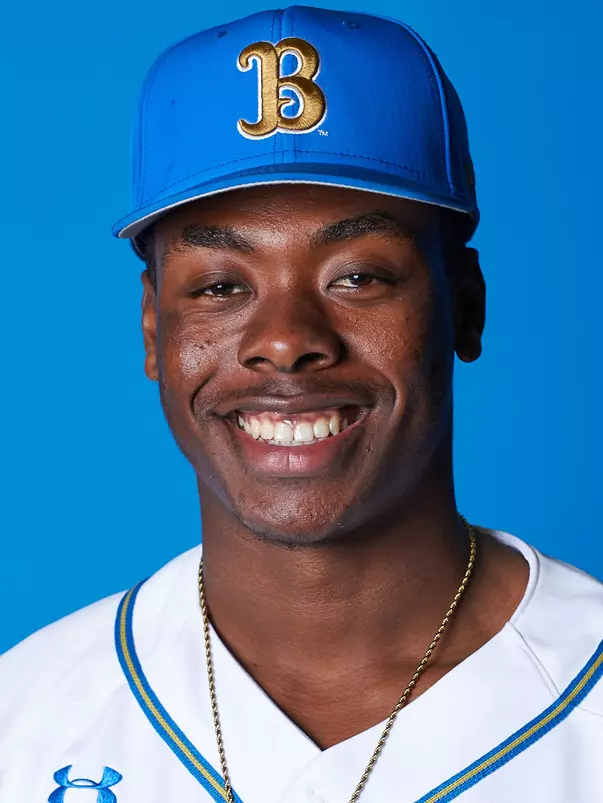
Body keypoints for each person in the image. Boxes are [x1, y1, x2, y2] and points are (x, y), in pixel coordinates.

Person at [1, 6, 602, 802]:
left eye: (357, 276)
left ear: (465, 305)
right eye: (220, 286)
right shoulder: (23, 719)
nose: (285, 341)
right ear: (154, 328)